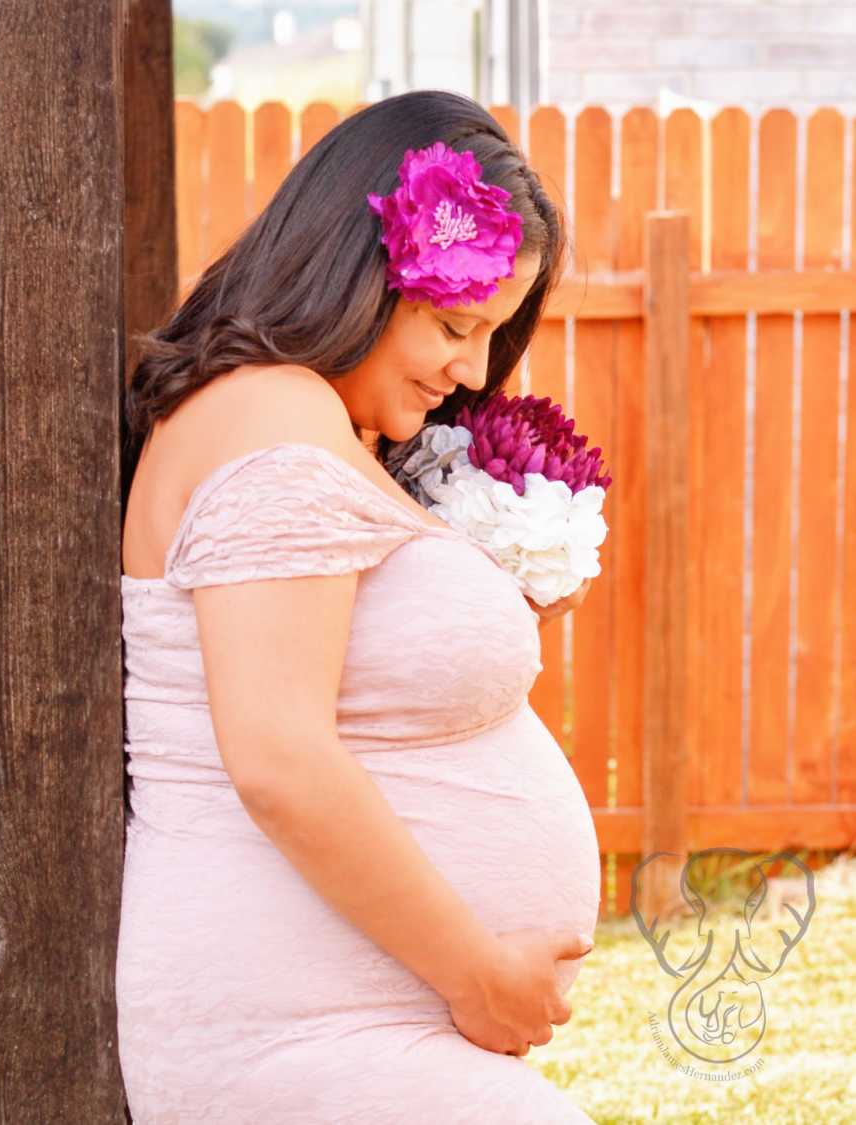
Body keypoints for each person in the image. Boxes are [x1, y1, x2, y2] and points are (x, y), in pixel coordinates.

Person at [117, 88, 602, 1123]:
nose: (472, 370)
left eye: (492, 334)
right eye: (455, 324)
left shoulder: (303, 424)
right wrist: (477, 972)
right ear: (362, 273)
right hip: (295, 1034)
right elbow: (280, 759)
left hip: (340, 1025)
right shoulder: (274, 418)